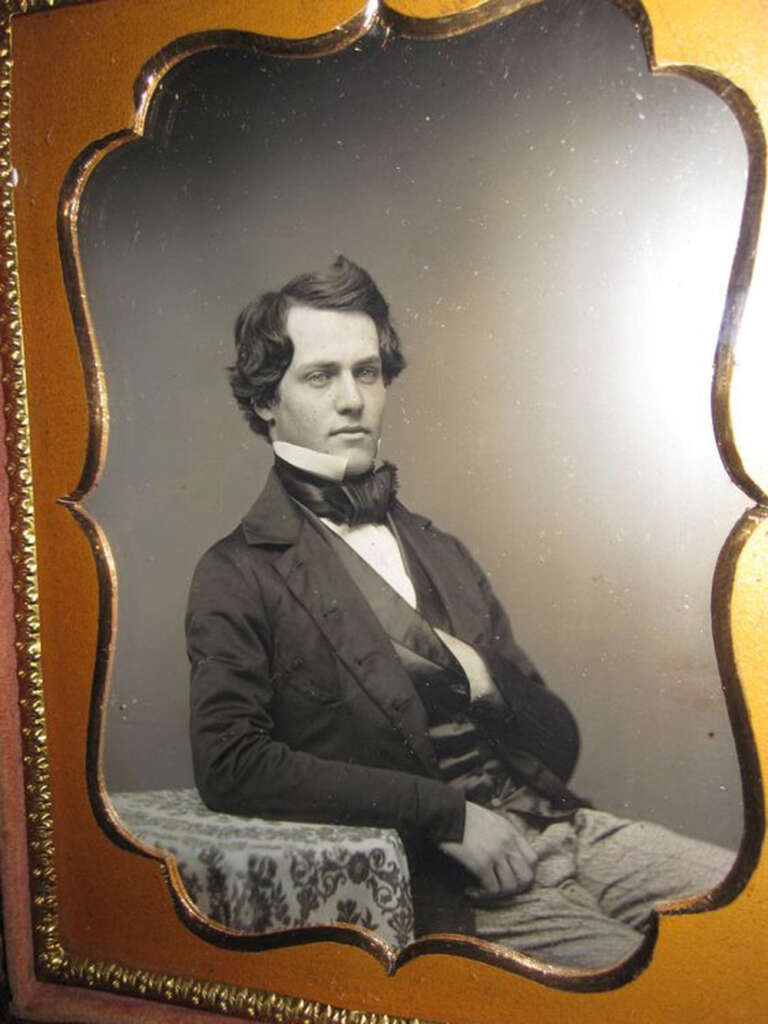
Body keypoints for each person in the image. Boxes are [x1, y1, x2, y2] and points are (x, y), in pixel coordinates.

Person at [186, 255, 734, 968]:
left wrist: (483, 678)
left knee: (750, 920)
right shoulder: (237, 573)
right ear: (266, 400)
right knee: (678, 1001)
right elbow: (232, 765)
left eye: (368, 372)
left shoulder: (438, 548)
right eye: (321, 376)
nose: (352, 400)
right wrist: (446, 816)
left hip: (568, 832)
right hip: (457, 885)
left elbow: (556, 743)